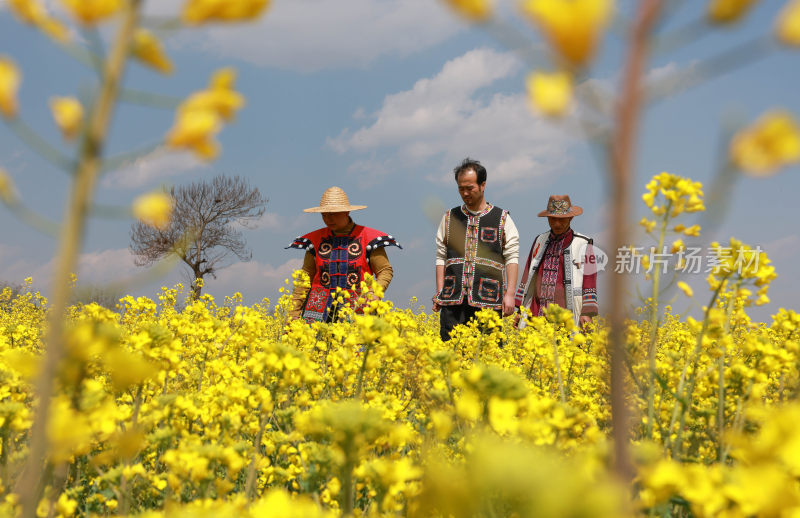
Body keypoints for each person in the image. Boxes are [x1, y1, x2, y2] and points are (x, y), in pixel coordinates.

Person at [433, 158, 519, 341]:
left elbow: (511, 257)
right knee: (451, 354)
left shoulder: (502, 218)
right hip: (452, 299)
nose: (465, 193)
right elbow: (441, 256)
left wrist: (510, 294)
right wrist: (440, 291)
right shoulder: (449, 218)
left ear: (482, 185)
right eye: (460, 188)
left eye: (469, 188)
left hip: (488, 300)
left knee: (489, 354)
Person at [286, 186, 401, 323]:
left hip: (358, 309)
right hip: (316, 312)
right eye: (324, 215)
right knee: (318, 344)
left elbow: (385, 270)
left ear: (346, 212)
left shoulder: (368, 237)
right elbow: (305, 278)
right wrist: (293, 312)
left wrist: (375, 293)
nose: (328, 219)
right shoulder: (315, 240)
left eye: (333, 214)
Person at [515, 194, 598, 329]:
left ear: (571, 218)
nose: (557, 224)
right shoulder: (539, 241)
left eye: (562, 220)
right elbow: (528, 275)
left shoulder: (584, 243)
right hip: (537, 312)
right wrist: (520, 310)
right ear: (548, 218)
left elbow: (590, 279)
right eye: (553, 219)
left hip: (566, 313)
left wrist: (587, 313)